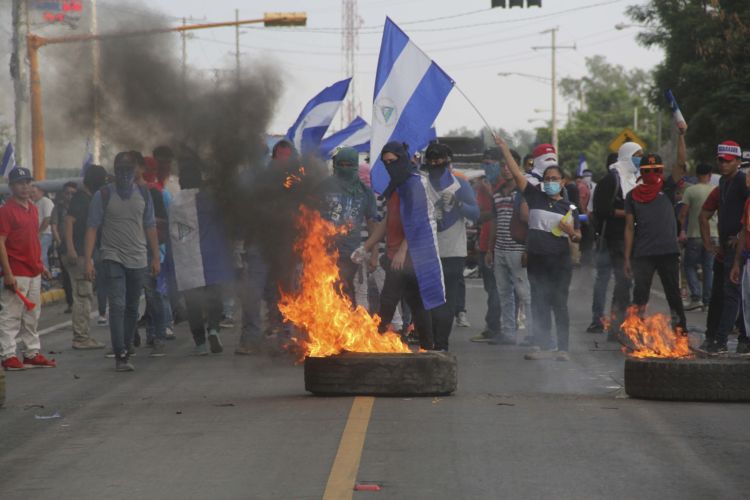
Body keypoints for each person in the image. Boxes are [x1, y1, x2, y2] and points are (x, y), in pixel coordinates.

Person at [496, 136, 581, 361]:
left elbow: (579, 236)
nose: (550, 181)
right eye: (547, 178)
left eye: (555, 178)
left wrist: (571, 232)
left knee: (559, 303)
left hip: (560, 262)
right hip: (536, 259)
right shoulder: (535, 197)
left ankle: (562, 348)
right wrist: (504, 149)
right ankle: (541, 345)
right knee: (539, 302)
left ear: (563, 182)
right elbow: (517, 174)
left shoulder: (568, 207)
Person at [361, 141, 444, 350]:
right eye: (386, 162)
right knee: (416, 304)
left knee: (389, 301)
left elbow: (417, 220)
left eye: (393, 161)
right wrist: (365, 247)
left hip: (411, 257)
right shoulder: (396, 186)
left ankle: (374, 342)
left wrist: (402, 251)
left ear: (403, 159)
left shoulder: (414, 184)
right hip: (395, 254)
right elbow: (386, 223)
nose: (390, 165)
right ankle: (427, 348)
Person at [84, 152, 160, 371]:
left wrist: (155, 257)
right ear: (114, 171)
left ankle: (126, 346)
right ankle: (121, 354)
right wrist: (88, 260)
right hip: (112, 256)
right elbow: (92, 227)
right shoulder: (103, 195)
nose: (124, 174)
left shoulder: (144, 194)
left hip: (138, 258)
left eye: (129, 169)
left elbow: (150, 226)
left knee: (132, 308)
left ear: (136, 171)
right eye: (120, 169)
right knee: (117, 305)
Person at [170, 153, 232, 355]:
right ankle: (213, 328)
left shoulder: (175, 203)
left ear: (181, 180)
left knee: (193, 302)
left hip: (187, 258)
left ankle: (200, 343)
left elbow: (173, 233)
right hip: (212, 256)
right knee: (215, 295)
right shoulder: (210, 199)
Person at [423, 143, 479, 350]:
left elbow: (475, 214)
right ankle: (429, 342)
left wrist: (458, 203)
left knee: (447, 300)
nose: (436, 163)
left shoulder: (460, 185)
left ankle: (441, 344)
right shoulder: (422, 184)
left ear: (448, 162)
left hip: (452, 251)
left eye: (440, 160)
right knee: (427, 300)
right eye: (432, 160)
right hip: (427, 251)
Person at [0, 167, 56, 370]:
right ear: (12, 186)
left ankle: (32, 353)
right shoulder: (6, 211)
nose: (25, 187)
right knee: (11, 315)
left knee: (32, 316)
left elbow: (33, 240)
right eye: (20, 183)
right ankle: (8, 355)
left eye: (28, 182)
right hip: (16, 271)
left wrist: (41, 266)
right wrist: (7, 273)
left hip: (33, 271)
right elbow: (1, 242)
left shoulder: (32, 208)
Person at [623, 153, 687, 331]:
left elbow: (681, 163)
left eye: (657, 170)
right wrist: (627, 258)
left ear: (662, 170)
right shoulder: (632, 196)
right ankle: (635, 332)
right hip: (643, 253)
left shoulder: (666, 188)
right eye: (647, 170)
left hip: (668, 252)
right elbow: (629, 228)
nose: (652, 173)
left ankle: (680, 333)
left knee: (673, 294)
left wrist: (681, 134)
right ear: (641, 172)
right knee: (640, 295)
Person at [700, 140, 748, 353]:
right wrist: (709, 243)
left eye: (728, 161)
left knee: (732, 293)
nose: (723, 164)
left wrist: (740, 235)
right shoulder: (722, 184)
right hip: (725, 247)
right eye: (720, 160)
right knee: (723, 293)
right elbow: (704, 214)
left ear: (738, 161)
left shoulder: (742, 182)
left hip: (739, 246)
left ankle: (721, 341)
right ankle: (725, 338)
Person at [592, 142, 643, 340]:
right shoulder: (611, 179)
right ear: (627, 156)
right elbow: (602, 210)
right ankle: (617, 327)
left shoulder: (633, 179)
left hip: (632, 238)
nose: (639, 158)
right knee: (623, 281)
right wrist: (629, 214)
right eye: (636, 155)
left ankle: (620, 327)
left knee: (626, 283)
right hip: (616, 239)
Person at [316, 147, 378, 302]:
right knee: (324, 296)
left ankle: (346, 326)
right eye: (341, 164)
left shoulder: (365, 192)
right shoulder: (322, 187)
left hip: (351, 254)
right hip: (323, 253)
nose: (344, 168)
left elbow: (373, 226)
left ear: (355, 166)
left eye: (348, 164)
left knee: (347, 294)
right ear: (335, 165)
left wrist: (374, 255)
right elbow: (309, 218)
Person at [486, 158, 531, 346]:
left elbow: (529, 222)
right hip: (500, 249)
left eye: (508, 165)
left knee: (524, 293)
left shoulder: (523, 192)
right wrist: (490, 249)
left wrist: (528, 248)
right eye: (501, 165)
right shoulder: (496, 193)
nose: (505, 169)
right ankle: (508, 332)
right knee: (504, 293)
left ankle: (532, 333)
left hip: (517, 249)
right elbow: (494, 223)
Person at [64, 165, 107, 350]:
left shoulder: (88, 198)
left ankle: (83, 336)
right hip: (78, 254)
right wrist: (72, 249)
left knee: (85, 293)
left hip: (82, 253)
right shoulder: (82, 199)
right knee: (83, 294)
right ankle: (81, 338)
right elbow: (69, 221)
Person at [470, 148, 504, 342]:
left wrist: (492, 195)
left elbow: (500, 211)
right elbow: (479, 215)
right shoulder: (482, 187)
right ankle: (493, 326)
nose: (486, 167)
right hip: (484, 244)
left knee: (498, 289)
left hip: (501, 244)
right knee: (490, 288)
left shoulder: (503, 186)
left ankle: (495, 327)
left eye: (490, 163)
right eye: (484, 163)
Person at [586, 153, 618, 333]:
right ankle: (618, 321)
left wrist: (597, 230)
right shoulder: (627, 183)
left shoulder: (599, 186)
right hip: (619, 240)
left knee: (602, 280)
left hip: (604, 238)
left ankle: (597, 320)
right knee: (623, 280)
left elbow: (590, 213)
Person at [679, 163, 717, 312]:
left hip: (695, 234)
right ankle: (707, 302)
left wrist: (681, 230)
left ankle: (696, 297)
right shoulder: (716, 190)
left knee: (688, 265)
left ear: (696, 175)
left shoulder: (690, 190)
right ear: (710, 175)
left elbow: (683, 214)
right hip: (714, 234)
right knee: (709, 268)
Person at [52, 181, 77, 313]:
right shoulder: (59, 208)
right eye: (67, 193)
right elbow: (54, 226)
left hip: (78, 246)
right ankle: (71, 302)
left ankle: (78, 301)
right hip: (63, 246)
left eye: (73, 193)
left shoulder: (79, 207)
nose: (69, 196)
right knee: (66, 276)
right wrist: (59, 242)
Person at [32, 185, 54, 287]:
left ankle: (45, 282)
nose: (32, 194)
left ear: (41, 191)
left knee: (41, 254)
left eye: (34, 192)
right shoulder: (34, 203)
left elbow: (48, 219)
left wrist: (39, 233)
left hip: (45, 233)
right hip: (36, 234)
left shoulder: (46, 201)